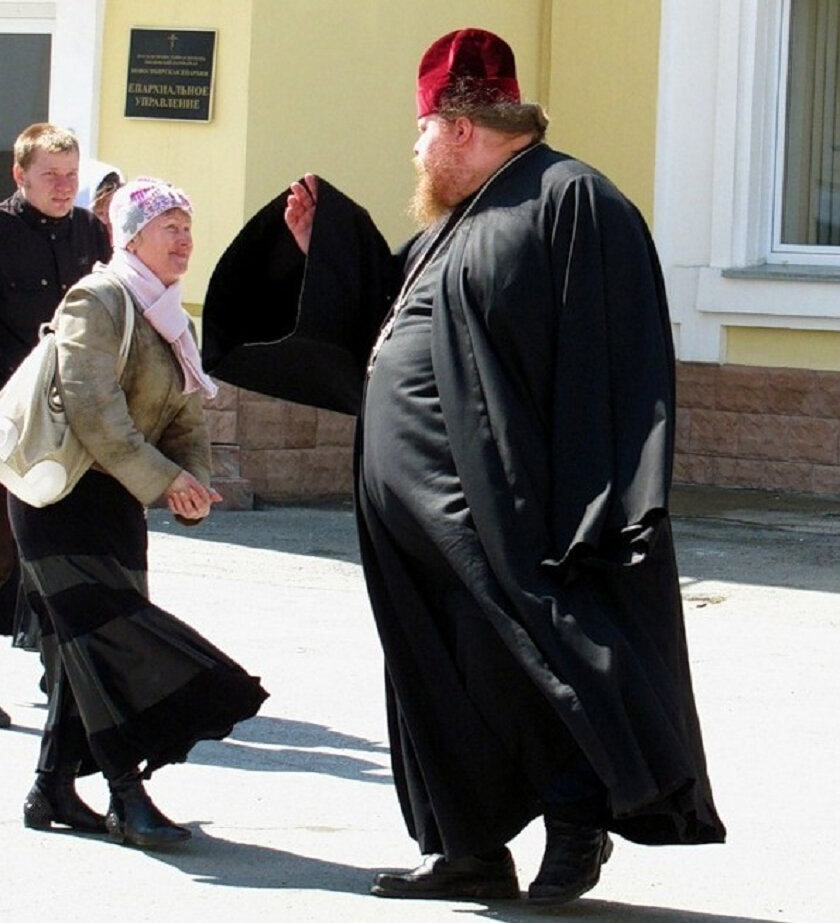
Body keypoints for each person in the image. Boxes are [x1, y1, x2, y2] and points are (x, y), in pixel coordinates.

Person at [202, 28, 725, 904]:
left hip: (499, 507)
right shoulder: (454, 225)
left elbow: (613, 351)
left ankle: (576, 823)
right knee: (435, 670)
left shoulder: (569, 199)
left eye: (420, 132)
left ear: (456, 126)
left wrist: (602, 495)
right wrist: (319, 249)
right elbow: (382, 317)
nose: (413, 151)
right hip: (409, 518)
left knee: (522, 658)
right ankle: (467, 847)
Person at [11, 176, 268, 849]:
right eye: (169, 228)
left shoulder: (172, 317)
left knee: (87, 647)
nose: (185, 240)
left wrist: (193, 485)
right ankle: (128, 797)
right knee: (109, 644)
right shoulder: (95, 300)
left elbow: (186, 417)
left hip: (117, 500)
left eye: (188, 227)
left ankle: (51, 787)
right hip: (60, 499)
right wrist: (163, 480)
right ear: (132, 238)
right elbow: (95, 412)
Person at [0, 124, 111, 650]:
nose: (64, 186)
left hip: (72, 410)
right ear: (20, 175)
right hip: (10, 409)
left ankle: (53, 649)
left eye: (71, 174)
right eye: (50, 175)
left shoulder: (90, 231)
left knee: (60, 535)